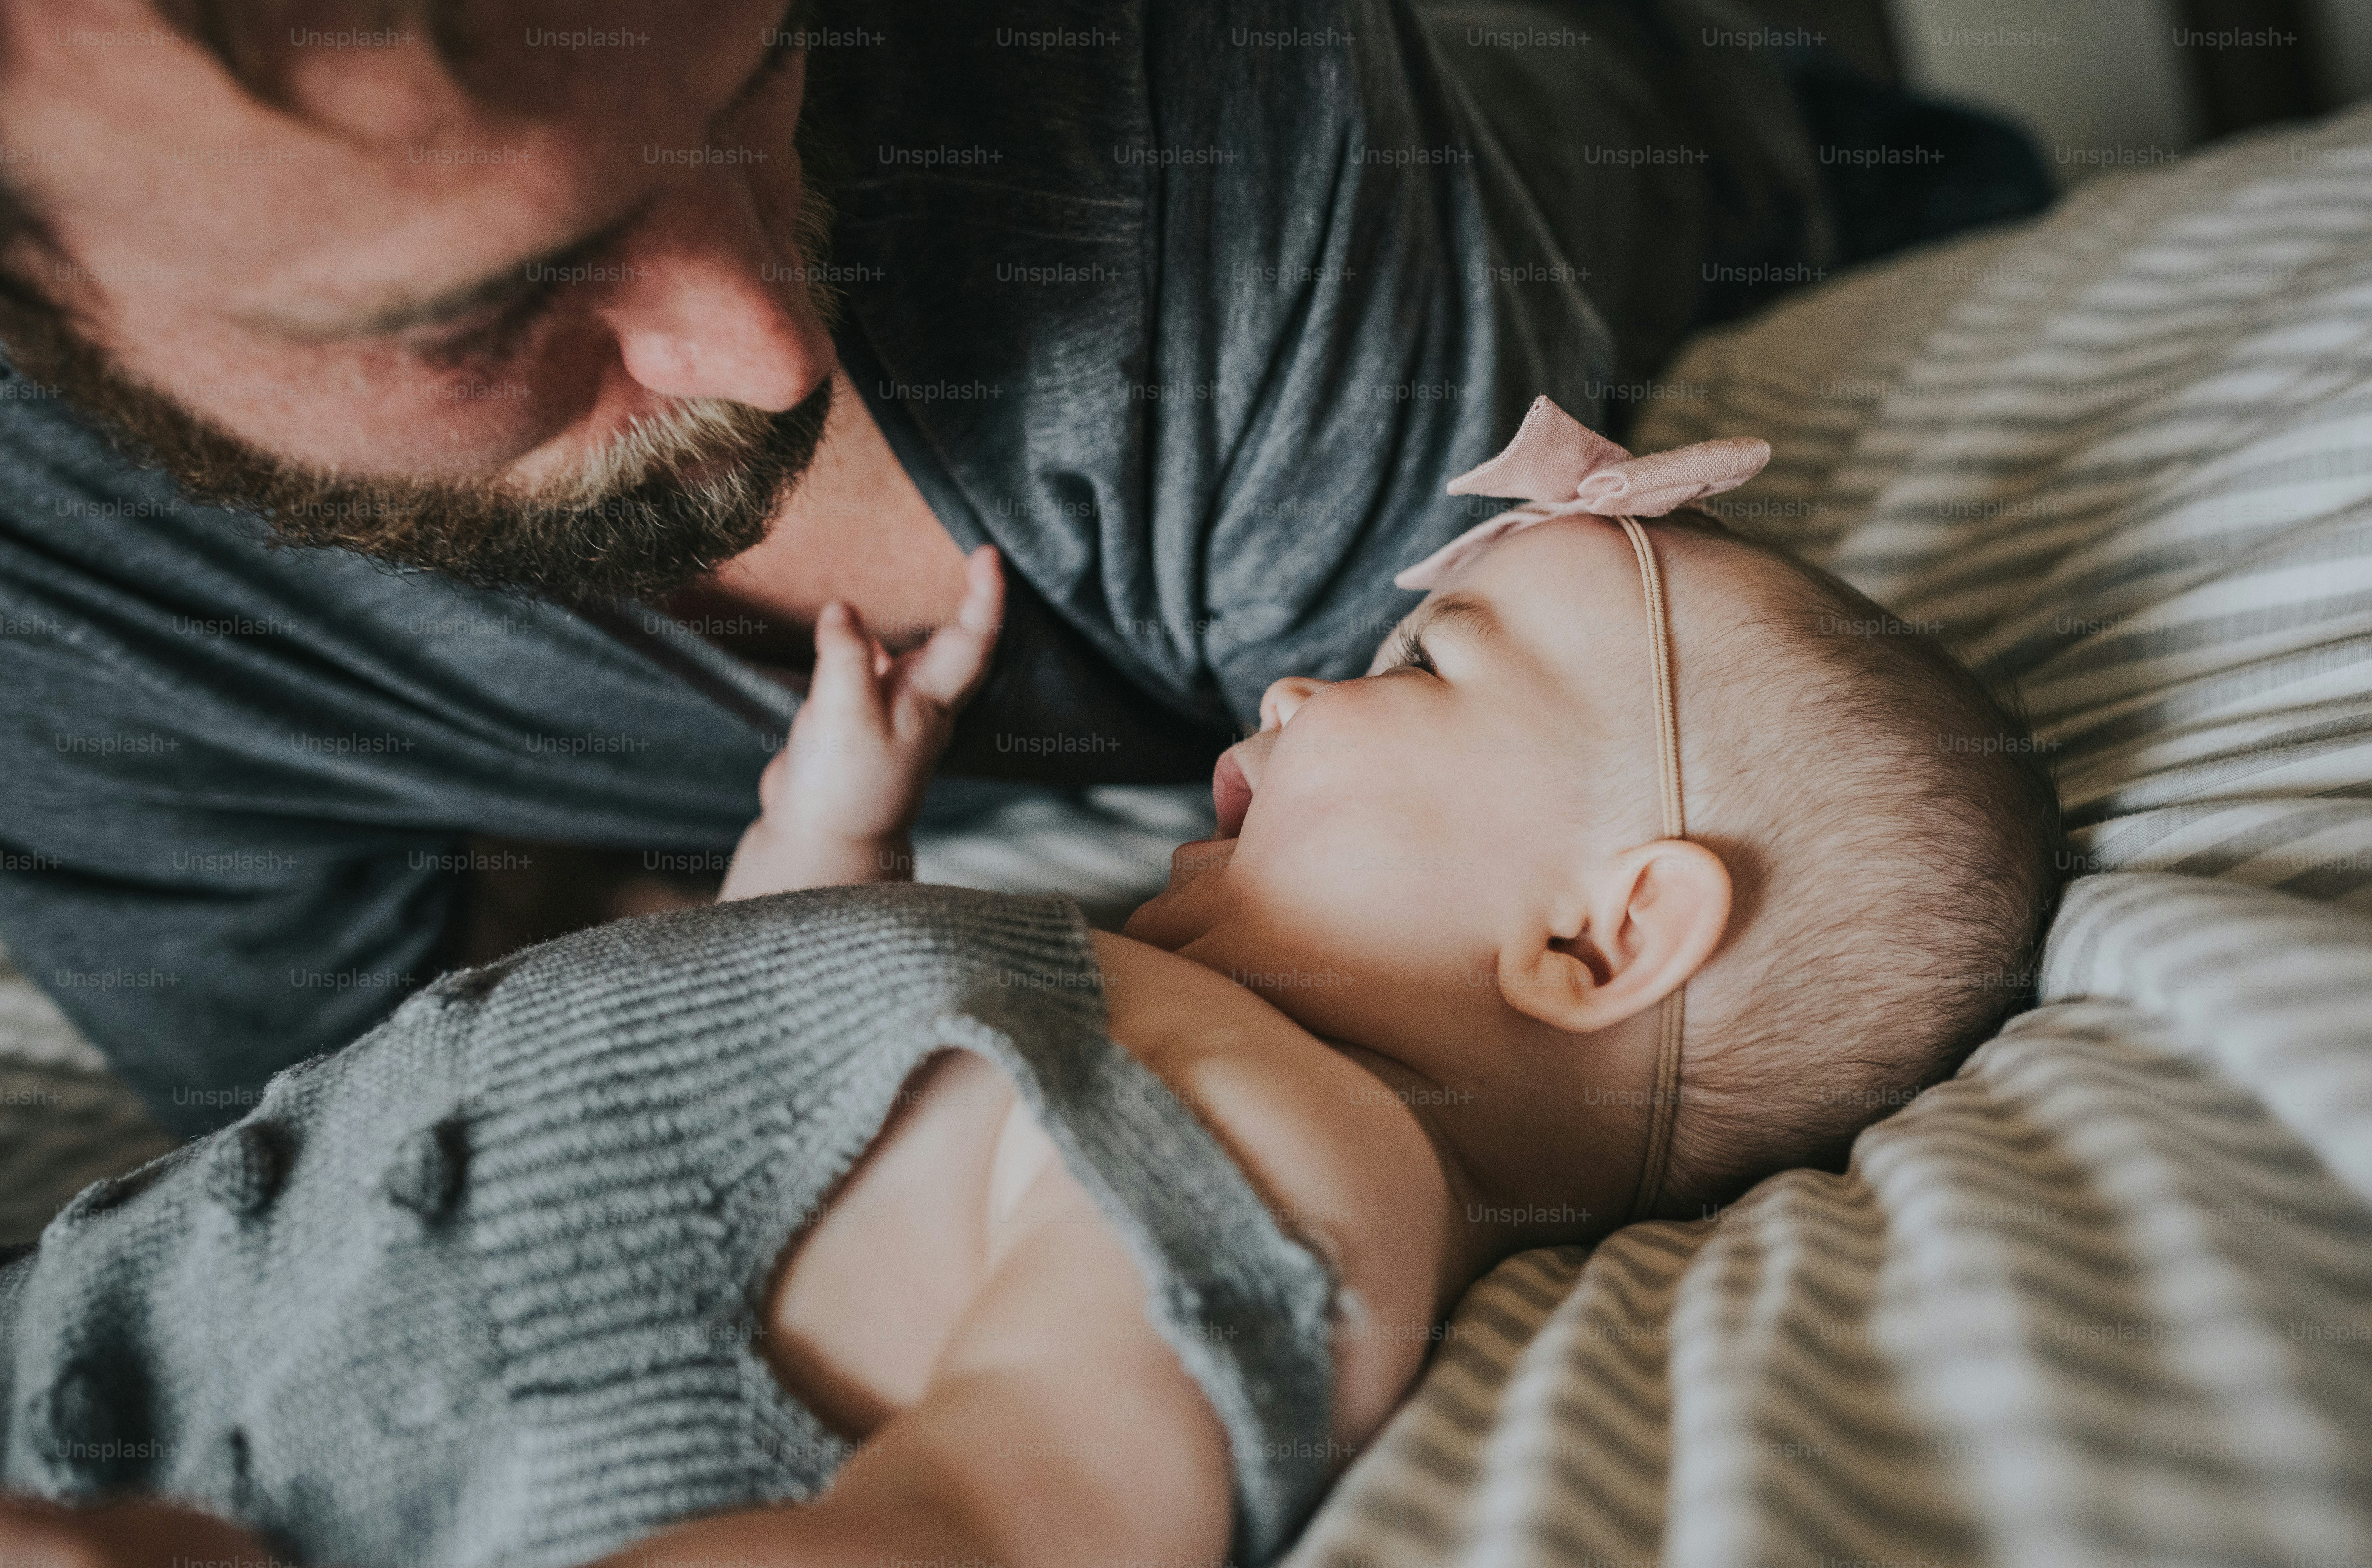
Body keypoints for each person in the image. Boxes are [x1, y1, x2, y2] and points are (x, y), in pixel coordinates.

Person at [0, 405, 2064, 1568]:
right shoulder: (1111, 1003)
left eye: (1423, 671)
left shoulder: (1292, 1159)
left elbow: (977, 1528)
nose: (1290, 683)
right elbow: (779, 1059)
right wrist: (828, 840)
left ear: (1595, 940)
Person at [0, 0, 1853, 1133]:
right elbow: (395, 1181)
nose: (769, 353)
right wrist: (813, 874)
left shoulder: (1162, 97)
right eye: (481, 306)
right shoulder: (57, 625)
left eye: (762, 75)